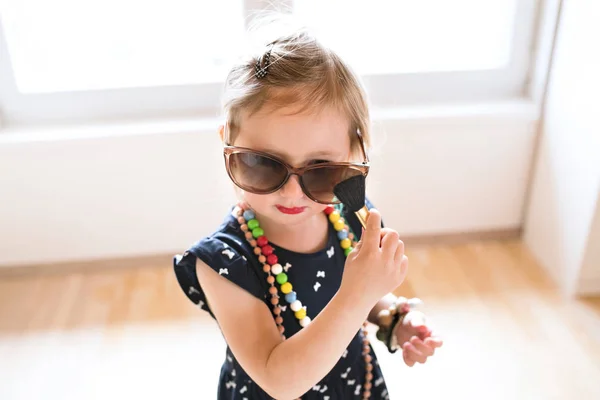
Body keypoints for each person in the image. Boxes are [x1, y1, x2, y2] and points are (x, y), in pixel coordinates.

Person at [174, 14, 443, 400]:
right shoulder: (224, 263)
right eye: (263, 164)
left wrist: (391, 316)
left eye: (323, 171)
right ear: (227, 143)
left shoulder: (349, 213)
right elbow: (279, 380)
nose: (292, 193)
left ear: (354, 155)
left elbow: (355, 291)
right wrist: (358, 293)